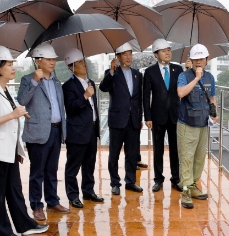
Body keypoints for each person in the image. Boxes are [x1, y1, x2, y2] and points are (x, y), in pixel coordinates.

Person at [0, 45, 48, 236]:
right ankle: (1, 231)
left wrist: (17, 148)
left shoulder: (4, 90)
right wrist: (13, 114)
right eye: (9, 64)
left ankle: (24, 224)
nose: (13, 68)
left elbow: (9, 122)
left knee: (14, 189)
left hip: (8, 150)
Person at [17, 43, 68, 220]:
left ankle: (52, 201)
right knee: (37, 171)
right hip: (38, 132)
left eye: (54, 59)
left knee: (52, 170)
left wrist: (64, 130)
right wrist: (34, 81)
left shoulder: (56, 81)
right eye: (48, 59)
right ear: (38, 61)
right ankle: (37, 205)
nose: (53, 62)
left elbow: (60, 108)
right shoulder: (27, 80)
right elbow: (22, 100)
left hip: (55, 130)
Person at [176, 44, 219, 209]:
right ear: (191, 61)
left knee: (200, 157)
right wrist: (195, 78)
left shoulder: (210, 78)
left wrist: (215, 112)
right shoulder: (184, 76)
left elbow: (212, 97)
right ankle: (185, 191)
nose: (198, 62)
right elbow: (180, 93)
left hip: (203, 123)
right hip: (187, 123)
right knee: (186, 158)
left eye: (201, 59)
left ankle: (193, 185)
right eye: (195, 59)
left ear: (207, 60)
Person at [62, 48, 104, 208]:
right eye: (79, 62)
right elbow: (71, 108)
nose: (84, 64)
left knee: (90, 163)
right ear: (71, 67)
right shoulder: (68, 86)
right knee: (73, 165)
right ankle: (73, 195)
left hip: (92, 130)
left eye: (83, 61)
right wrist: (85, 96)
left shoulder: (91, 82)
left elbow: (94, 108)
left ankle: (88, 191)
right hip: (77, 132)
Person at [99, 42, 143, 195]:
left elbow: (139, 99)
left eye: (130, 54)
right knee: (114, 154)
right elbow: (103, 88)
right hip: (117, 119)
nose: (129, 57)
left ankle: (130, 182)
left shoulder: (138, 74)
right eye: (125, 54)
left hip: (133, 121)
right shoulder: (112, 73)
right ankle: (115, 183)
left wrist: (140, 117)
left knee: (131, 154)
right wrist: (111, 71)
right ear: (118, 57)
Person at [143, 39, 183, 192]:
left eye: (169, 50)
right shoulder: (150, 72)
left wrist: (189, 71)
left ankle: (176, 179)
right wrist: (147, 117)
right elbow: (146, 96)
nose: (167, 53)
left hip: (175, 115)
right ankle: (158, 179)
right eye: (163, 51)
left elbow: (184, 89)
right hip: (157, 117)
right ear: (156, 54)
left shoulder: (178, 70)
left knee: (175, 149)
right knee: (158, 150)